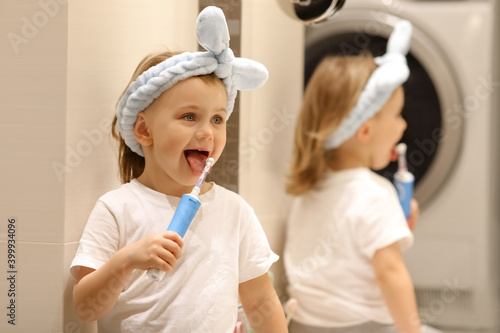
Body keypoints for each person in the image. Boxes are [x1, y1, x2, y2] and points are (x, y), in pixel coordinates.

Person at [70, 6, 287, 333]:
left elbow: (260, 303)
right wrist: (127, 260)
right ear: (144, 130)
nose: (207, 132)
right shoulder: (117, 209)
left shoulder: (235, 212)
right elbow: (86, 309)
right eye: (189, 116)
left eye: (217, 119)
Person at [284, 20, 427, 333]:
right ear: (365, 131)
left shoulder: (308, 189)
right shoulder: (375, 194)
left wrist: (395, 228)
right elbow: (390, 272)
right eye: (397, 115)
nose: (403, 126)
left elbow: (344, 255)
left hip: (305, 324)